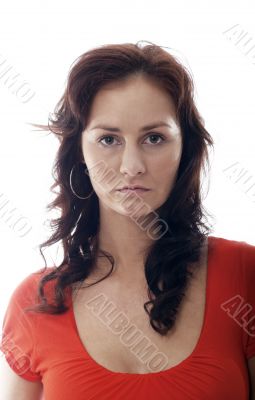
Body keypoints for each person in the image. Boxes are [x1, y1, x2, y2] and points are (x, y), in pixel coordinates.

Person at [0, 41, 255, 400]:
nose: (131, 166)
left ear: (186, 148)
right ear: (79, 153)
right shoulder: (35, 303)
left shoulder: (243, 274)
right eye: (108, 139)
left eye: (154, 138)